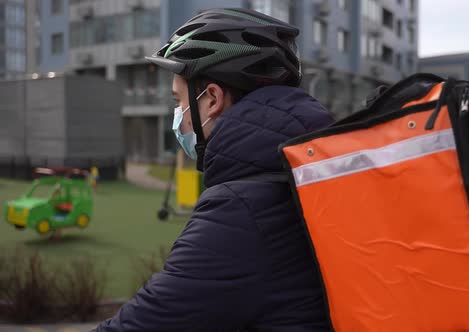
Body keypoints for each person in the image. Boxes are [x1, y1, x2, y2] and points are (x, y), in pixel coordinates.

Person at [92, 8, 333, 331]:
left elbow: (145, 321)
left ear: (212, 99)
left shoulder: (244, 210)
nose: (178, 115)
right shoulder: (307, 173)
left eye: (179, 101)